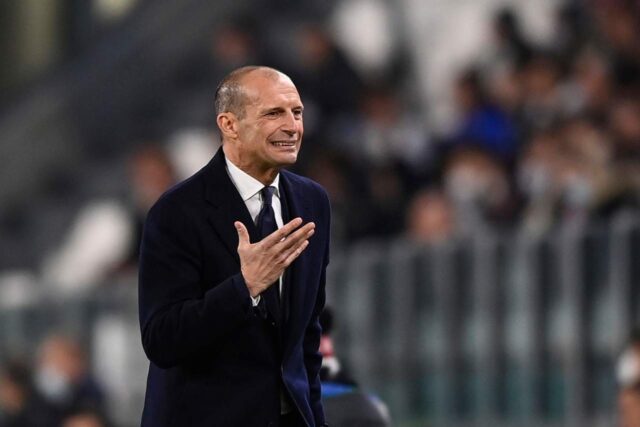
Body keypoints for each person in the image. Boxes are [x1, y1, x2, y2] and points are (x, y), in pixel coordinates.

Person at [138, 66, 331, 427]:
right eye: (274, 113)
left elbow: (307, 337)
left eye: (297, 112)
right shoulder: (176, 212)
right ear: (229, 125)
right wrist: (245, 288)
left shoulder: (312, 201)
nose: (292, 126)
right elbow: (162, 339)